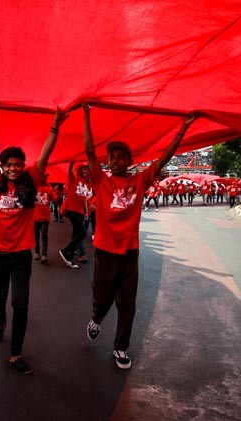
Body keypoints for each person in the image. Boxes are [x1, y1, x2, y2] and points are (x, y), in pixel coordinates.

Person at [83, 105, 195, 370]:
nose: (115, 160)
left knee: (127, 302)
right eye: (111, 156)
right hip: (105, 250)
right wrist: (86, 114)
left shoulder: (141, 180)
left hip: (129, 252)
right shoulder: (101, 180)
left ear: (129, 161)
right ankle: (96, 318)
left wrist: (183, 128)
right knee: (102, 297)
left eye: (121, 157)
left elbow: (165, 159)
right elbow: (89, 151)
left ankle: (121, 347)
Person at [0, 104, 67, 375]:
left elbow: (46, 152)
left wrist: (56, 123)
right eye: (9, 165)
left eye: (18, 164)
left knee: (20, 303)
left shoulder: (30, 180)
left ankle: (16, 353)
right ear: (2, 167)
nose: (14, 168)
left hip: (20, 256)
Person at [58, 162, 93, 269]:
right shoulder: (74, 179)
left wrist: (86, 212)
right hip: (71, 209)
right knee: (82, 233)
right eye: (83, 169)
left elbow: (85, 200)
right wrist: (72, 161)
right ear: (78, 170)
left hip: (81, 212)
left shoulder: (87, 185)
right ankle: (65, 251)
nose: (85, 171)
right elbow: (69, 171)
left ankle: (69, 257)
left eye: (86, 169)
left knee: (76, 234)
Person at [33, 173, 52, 263]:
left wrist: (55, 191)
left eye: (45, 178)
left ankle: (44, 255)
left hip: (45, 217)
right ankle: (37, 252)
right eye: (43, 177)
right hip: (34, 217)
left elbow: (55, 199)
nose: (44, 179)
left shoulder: (49, 189)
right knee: (35, 236)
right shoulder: (33, 188)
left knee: (44, 235)